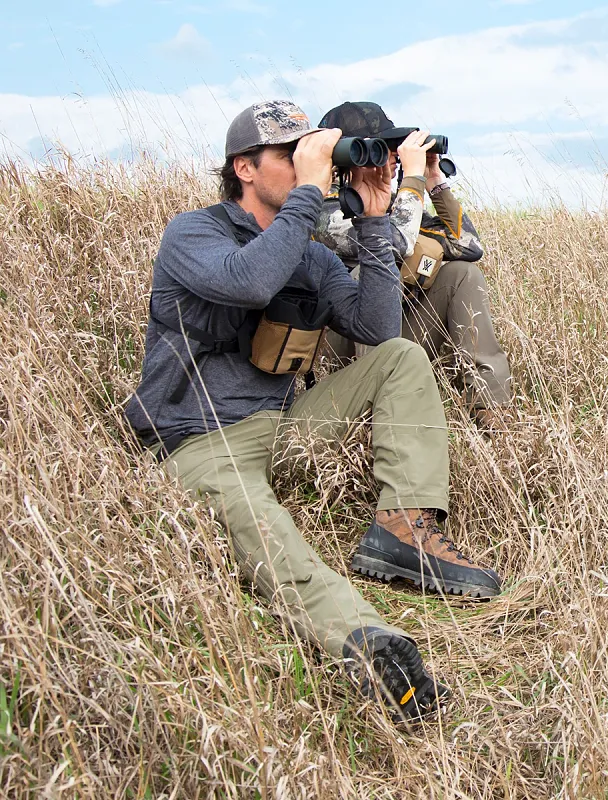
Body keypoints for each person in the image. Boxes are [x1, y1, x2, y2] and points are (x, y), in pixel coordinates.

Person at [124, 100, 502, 722]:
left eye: (313, 152)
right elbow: (248, 280)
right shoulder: (193, 233)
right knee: (268, 531)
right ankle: (372, 646)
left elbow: (376, 329)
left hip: (285, 428)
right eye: (291, 155)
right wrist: (308, 193)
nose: (312, 165)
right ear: (244, 168)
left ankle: (401, 528)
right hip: (201, 441)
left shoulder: (314, 253)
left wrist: (378, 221)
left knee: (402, 357)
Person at [314, 101, 512, 429]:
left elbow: (469, 247)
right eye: (382, 149)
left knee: (461, 273)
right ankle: (373, 420)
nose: (393, 159)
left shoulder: (396, 203)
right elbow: (395, 245)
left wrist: (434, 179)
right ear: (348, 157)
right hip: (340, 360)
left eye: (394, 150)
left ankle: (492, 409)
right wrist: (413, 179)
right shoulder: (322, 212)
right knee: (369, 270)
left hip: (394, 341)